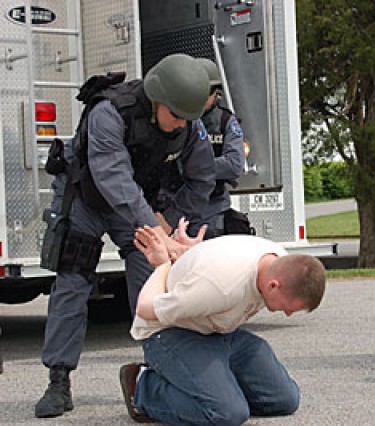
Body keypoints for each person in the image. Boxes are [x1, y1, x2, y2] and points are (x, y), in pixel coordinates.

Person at [35, 54, 217, 418]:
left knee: (153, 278)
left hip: (138, 205)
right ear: (158, 101)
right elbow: (112, 177)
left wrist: (167, 223)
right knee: (73, 279)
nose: (182, 124)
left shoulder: (188, 123)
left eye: (188, 117)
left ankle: (161, 373)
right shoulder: (110, 111)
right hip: (88, 198)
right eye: (177, 115)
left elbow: (201, 180)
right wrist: (152, 226)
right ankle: (58, 380)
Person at [118, 219, 326, 425]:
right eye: (289, 307)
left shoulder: (280, 261)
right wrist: (163, 264)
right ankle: (142, 385)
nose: (288, 314)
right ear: (273, 285)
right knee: (226, 414)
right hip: (171, 333)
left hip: (218, 330)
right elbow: (145, 309)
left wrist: (189, 256)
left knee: (284, 400)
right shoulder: (218, 287)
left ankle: (217, 388)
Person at [191, 58, 249, 238]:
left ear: (215, 92)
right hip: (176, 207)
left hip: (213, 208)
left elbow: (234, 164)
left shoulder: (225, 121)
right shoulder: (176, 118)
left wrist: (192, 167)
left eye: (205, 92)